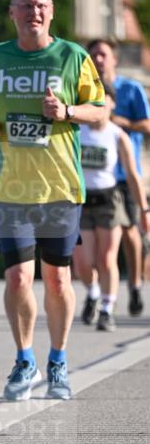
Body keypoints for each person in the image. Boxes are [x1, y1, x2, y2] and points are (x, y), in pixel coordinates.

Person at [0, 0, 105, 402]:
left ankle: (59, 359)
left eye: (42, 5)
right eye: (26, 5)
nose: (34, 11)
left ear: (51, 12)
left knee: (57, 278)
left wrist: (66, 110)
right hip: (12, 186)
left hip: (60, 186)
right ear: (12, 12)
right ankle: (25, 358)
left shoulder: (72, 56)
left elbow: (101, 109)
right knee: (17, 278)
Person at [73, 82, 150, 331]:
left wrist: (144, 209)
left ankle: (107, 308)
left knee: (107, 258)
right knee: (83, 262)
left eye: (103, 100)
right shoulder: (77, 130)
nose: (99, 106)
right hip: (82, 200)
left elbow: (132, 175)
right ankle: (93, 292)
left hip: (109, 199)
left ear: (112, 104)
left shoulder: (118, 135)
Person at [87, 37, 150, 317]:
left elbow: (147, 124)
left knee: (130, 230)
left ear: (114, 59)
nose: (99, 60)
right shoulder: (85, 90)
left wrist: (119, 122)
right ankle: (98, 293)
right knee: (98, 243)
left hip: (126, 172)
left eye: (103, 54)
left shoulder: (130, 88)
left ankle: (135, 284)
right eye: (94, 56)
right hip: (95, 177)